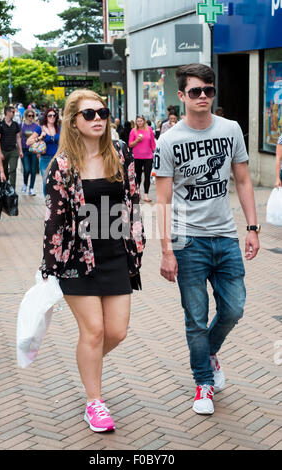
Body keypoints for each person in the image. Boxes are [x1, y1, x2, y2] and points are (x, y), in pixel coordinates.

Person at [155, 63, 260, 416]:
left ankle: (209, 352)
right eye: (196, 91)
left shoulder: (231, 130)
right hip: (188, 242)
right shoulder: (168, 141)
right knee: (195, 318)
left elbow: (243, 181)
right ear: (182, 95)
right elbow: (163, 200)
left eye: (209, 90)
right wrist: (166, 249)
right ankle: (203, 382)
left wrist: (252, 227)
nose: (203, 97)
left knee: (234, 308)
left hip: (226, 236)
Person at [40, 89, 145, 433]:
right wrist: (50, 267)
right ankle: (94, 402)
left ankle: (88, 365)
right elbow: (54, 219)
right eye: (89, 114)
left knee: (116, 331)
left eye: (102, 113)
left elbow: (132, 202)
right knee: (94, 330)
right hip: (76, 258)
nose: (98, 119)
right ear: (74, 121)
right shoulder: (63, 165)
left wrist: (137, 245)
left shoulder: (120, 152)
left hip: (115, 255)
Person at [26, 107, 61, 196]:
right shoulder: (40, 129)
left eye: (54, 115)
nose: (52, 117)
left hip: (57, 159)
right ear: (46, 117)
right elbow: (28, 142)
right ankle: (48, 202)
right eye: (50, 115)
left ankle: (56, 203)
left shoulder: (59, 129)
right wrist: (40, 138)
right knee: (46, 182)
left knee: (57, 182)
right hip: (45, 159)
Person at [129, 115, 156, 202]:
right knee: (138, 176)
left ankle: (146, 195)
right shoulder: (133, 131)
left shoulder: (149, 129)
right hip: (137, 156)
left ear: (144, 121)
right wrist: (137, 140)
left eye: (141, 121)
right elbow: (130, 144)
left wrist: (154, 151)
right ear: (136, 122)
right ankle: (137, 193)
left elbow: (153, 142)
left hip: (148, 156)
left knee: (147, 176)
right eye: (138, 121)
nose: (139, 122)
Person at [0, 105, 23, 190]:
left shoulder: (15, 125)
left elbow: (18, 138)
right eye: (12, 112)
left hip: (13, 151)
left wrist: (20, 150)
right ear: (7, 112)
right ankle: (4, 188)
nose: (14, 113)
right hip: (3, 151)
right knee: (3, 171)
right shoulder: (0, 125)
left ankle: (12, 189)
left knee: (13, 169)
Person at [21, 109, 39, 196]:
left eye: (32, 116)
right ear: (26, 116)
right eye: (29, 115)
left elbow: (40, 138)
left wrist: (39, 151)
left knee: (33, 171)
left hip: (34, 151)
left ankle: (31, 188)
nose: (31, 117)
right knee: (26, 169)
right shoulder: (21, 126)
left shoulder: (36, 126)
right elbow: (19, 138)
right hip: (25, 150)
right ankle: (25, 184)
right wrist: (20, 150)